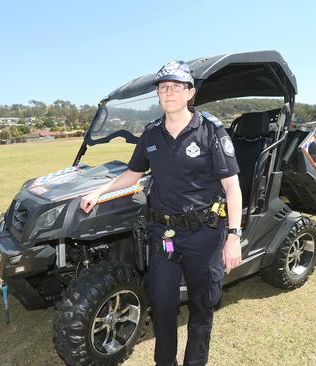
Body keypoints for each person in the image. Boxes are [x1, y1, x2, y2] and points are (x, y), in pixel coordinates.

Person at [81, 60, 242, 366]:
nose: (168, 93)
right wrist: (99, 192)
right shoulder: (152, 133)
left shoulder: (210, 130)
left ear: (189, 93)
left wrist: (233, 237)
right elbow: (131, 174)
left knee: (201, 308)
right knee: (163, 306)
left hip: (205, 236)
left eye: (175, 87)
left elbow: (232, 188)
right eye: (163, 87)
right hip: (164, 236)